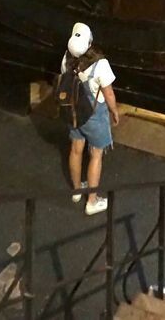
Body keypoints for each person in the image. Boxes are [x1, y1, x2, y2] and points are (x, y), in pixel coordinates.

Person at [61, 22, 119, 216]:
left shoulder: (67, 59)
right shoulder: (100, 64)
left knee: (76, 150)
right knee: (95, 154)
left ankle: (77, 191)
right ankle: (92, 201)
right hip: (95, 115)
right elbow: (108, 93)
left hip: (74, 111)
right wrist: (114, 111)